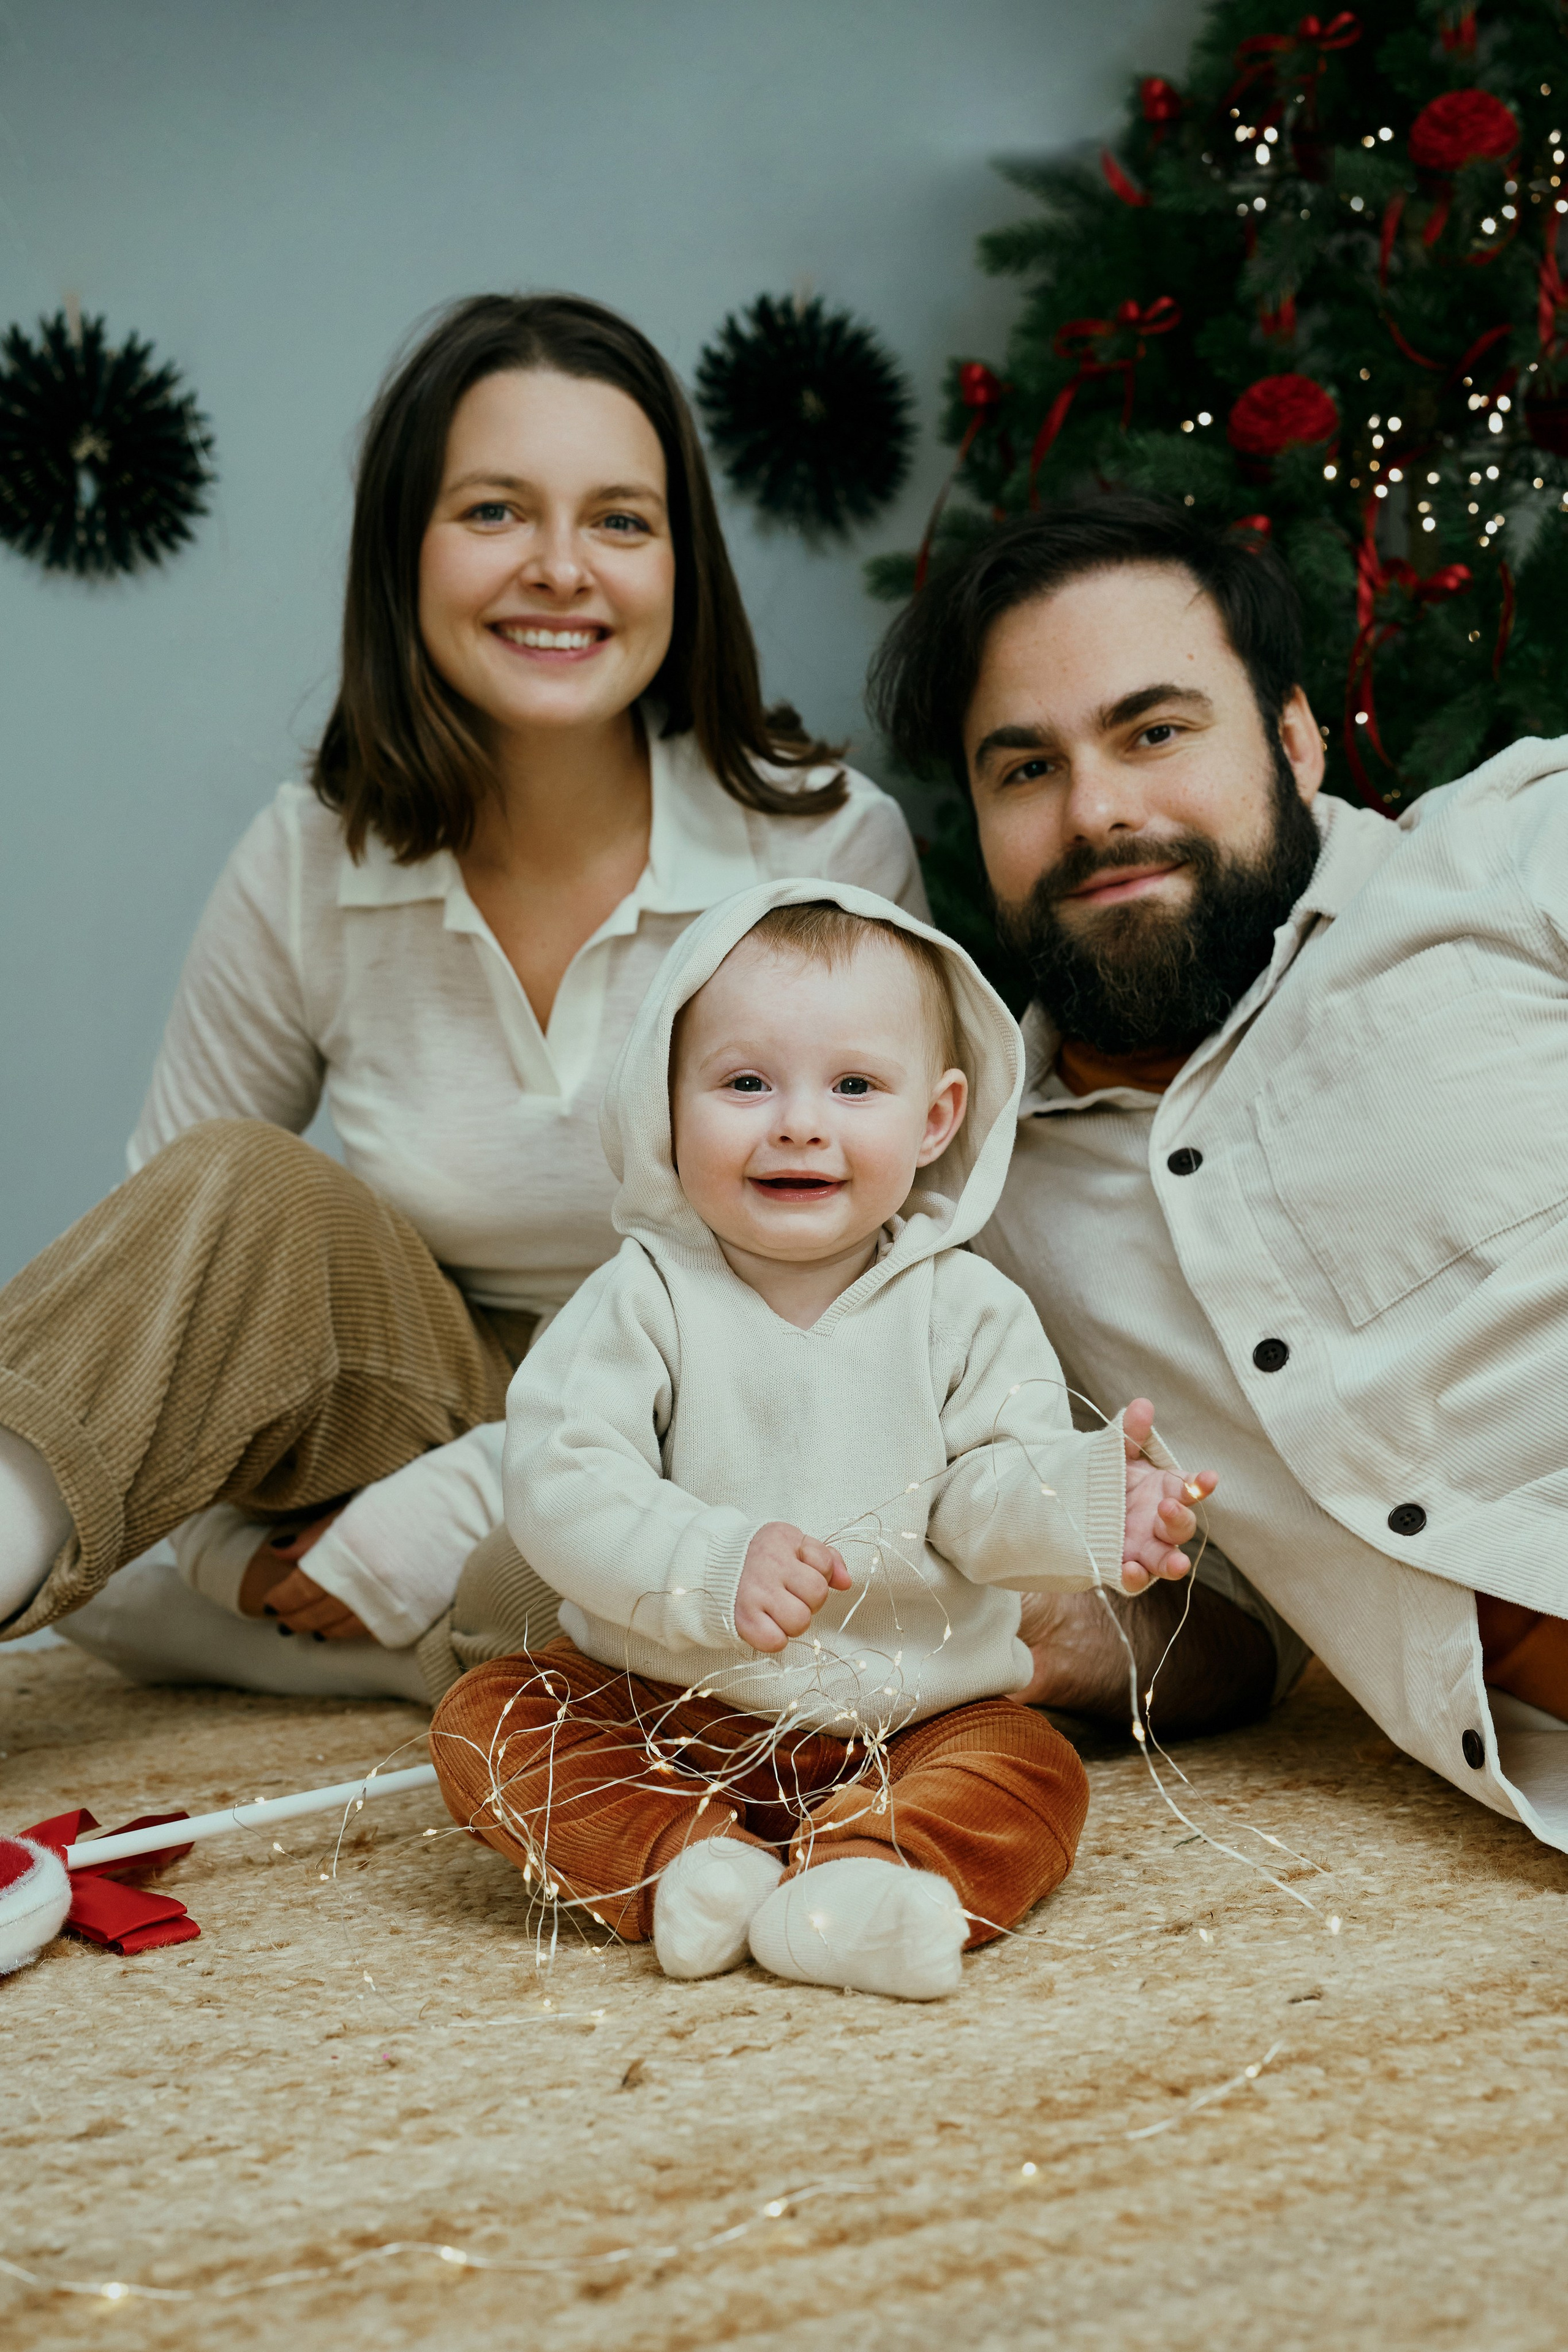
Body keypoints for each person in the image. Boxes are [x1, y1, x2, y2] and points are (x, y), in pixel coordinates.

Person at [0, 293, 924, 1704]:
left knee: (602, 1573)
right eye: (495, 512)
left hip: (717, 1414)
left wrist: (437, 1519)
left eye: (620, 521)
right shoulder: (310, 851)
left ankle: (428, 1635)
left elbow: (875, 1292)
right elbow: (168, 1287)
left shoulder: (822, 849)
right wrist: (221, 1551)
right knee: (234, 1187)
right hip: (422, 1386)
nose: (561, 569)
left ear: (681, 567)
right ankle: (386, 1630)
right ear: (403, 555)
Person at [869, 492, 1568, 1852]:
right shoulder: (978, 1208)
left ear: (1296, 741)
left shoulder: (1512, 855)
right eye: (1023, 770)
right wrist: (1032, 1627)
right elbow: (1234, 1634)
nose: (1096, 811)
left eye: (1154, 731)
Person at [430, 881, 1213, 2000]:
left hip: (915, 1714)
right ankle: (689, 1867)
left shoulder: (966, 1308)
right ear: (669, 1101)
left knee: (1031, 1769)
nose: (799, 1122)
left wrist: (1095, 1506)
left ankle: (862, 1883)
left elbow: (986, 1495)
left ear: (935, 1118)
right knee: (488, 1722)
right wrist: (709, 1562)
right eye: (746, 1083)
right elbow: (563, 1478)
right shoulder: (641, 1297)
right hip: (664, 1704)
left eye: (854, 1086)